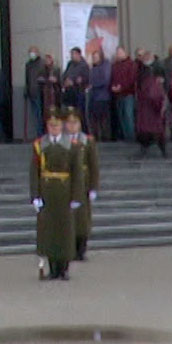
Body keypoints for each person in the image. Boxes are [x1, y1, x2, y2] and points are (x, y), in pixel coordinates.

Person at [29, 110, 82, 281]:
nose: (54, 128)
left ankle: (64, 268)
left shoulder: (72, 145)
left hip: (65, 192)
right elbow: (34, 172)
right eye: (51, 126)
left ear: (62, 126)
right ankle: (53, 268)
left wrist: (76, 196)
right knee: (49, 231)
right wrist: (35, 195)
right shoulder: (40, 145)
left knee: (64, 230)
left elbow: (77, 173)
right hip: (47, 192)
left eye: (57, 125)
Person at [67, 107, 98, 261]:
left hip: (84, 184)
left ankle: (82, 248)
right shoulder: (63, 141)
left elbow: (93, 166)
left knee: (83, 219)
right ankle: (70, 248)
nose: (72, 126)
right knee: (70, 218)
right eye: (69, 122)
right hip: (69, 184)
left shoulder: (87, 141)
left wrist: (93, 187)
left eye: (75, 122)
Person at [134, 60, 169, 158]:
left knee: (146, 134)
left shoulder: (142, 83)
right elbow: (155, 97)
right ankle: (163, 151)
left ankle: (144, 150)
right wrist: (160, 107)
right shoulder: (153, 84)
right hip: (153, 115)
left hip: (144, 115)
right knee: (158, 134)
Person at [109, 49, 138, 149]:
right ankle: (125, 136)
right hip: (118, 95)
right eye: (117, 53)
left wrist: (121, 87)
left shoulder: (131, 64)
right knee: (121, 116)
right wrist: (113, 87)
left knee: (128, 116)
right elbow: (112, 78)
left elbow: (131, 79)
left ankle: (131, 137)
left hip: (128, 94)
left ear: (126, 53)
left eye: (120, 52)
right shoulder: (115, 66)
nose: (118, 54)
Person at [86, 49, 111, 144]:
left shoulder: (105, 66)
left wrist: (93, 85)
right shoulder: (93, 68)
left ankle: (105, 136)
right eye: (93, 57)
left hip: (102, 96)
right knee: (94, 118)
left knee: (103, 118)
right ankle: (96, 135)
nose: (94, 59)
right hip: (94, 97)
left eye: (95, 57)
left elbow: (105, 80)